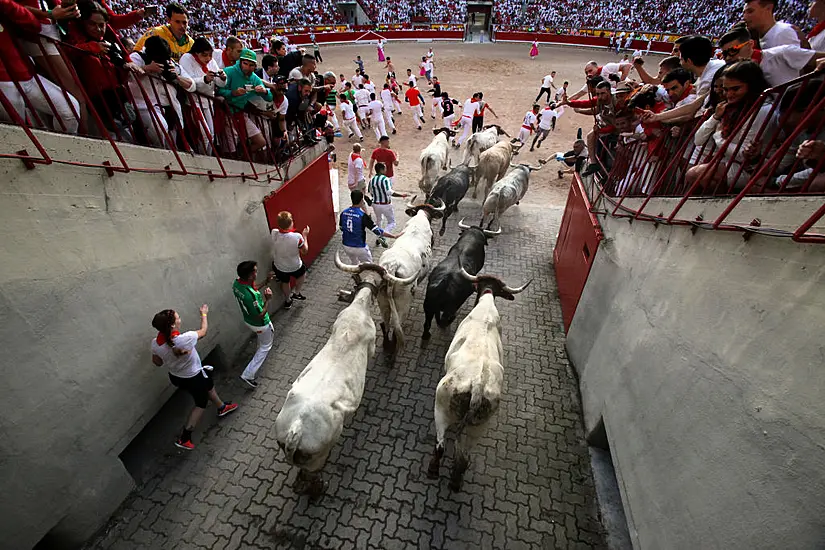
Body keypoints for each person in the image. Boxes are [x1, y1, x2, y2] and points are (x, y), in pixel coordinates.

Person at [151, 304, 238, 450]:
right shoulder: (185, 339)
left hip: (177, 377)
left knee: (208, 384)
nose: (180, 319)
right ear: (172, 324)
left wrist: (168, 357)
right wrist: (204, 314)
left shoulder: (155, 343)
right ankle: (185, 437)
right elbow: (203, 331)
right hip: (193, 378)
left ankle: (222, 407)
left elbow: (157, 362)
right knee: (201, 403)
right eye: (178, 318)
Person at [686, 61, 773, 192]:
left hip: (756, 168)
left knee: (698, 174)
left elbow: (743, 154)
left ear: (752, 86)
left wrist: (719, 137)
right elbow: (698, 140)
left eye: (736, 89)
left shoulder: (763, 110)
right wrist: (715, 117)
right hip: (734, 163)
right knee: (693, 175)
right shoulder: (729, 108)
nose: (729, 94)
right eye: (726, 89)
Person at [127, 35, 195, 147]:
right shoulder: (137, 57)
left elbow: (191, 85)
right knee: (160, 127)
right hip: (142, 105)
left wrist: (176, 77)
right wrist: (148, 68)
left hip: (168, 108)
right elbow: (127, 75)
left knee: (171, 140)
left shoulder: (170, 63)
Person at [718, 24, 824, 87]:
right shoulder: (732, 76)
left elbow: (820, 58)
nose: (728, 58)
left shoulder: (782, 53)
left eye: (733, 50)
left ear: (750, 44)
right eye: (724, 54)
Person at [216, 48, 272, 153]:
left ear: (255, 66)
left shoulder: (255, 78)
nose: (247, 67)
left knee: (261, 142)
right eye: (245, 63)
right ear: (240, 62)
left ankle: (243, 157)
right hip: (226, 114)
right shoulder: (229, 71)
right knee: (230, 149)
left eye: (251, 65)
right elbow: (217, 91)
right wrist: (233, 93)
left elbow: (269, 97)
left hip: (241, 114)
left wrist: (264, 91)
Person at [232, 260, 274, 389]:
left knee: (262, 341)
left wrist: (266, 282)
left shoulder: (237, 284)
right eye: (255, 271)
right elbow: (260, 314)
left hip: (248, 321)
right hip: (261, 323)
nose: (257, 272)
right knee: (266, 347)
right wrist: (268, 299)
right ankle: (248, 374)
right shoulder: (251, 297)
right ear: (250, 275)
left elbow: (253, 288)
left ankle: (258, 350)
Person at [179, 36, 225, 153]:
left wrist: (222, 78)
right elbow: (189, 82)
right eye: (204, 55)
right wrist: (204, 79)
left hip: (208, 101)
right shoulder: (186, 59)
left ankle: (207, 157)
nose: (208, 58)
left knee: (212, 135)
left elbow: (219, 82)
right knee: (205, 134)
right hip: (195, 101)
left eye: (210, 55)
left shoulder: (211, 61)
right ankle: (203, 157)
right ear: (196, 53)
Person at [340, 189, 400, 264]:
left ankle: (355, 274)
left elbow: (342, 228)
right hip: (360, 247)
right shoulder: (363, 216)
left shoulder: (343, 213)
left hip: (346, 246)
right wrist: (394, 236)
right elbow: (377, 231)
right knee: (369, 265)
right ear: (362, 200)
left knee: (354, 262)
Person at [271, 211, 310, 310]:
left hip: (280, 266)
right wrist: (305, 235)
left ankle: (288, 300)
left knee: (285, 282)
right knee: (302, 274)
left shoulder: (274, 233)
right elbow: (305, 251)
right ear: (291, 222)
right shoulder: (297, 237)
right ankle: (296, 292)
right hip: (295, 265)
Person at [367, 162, 409, 248]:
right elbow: (389, 192)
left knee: (379, 220)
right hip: (386, 204)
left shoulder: (372, 180)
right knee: (392, 222)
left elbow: (370, 192)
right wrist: (401, 195)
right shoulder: (385, 179)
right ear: (381, 170)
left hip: (375, 204)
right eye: (385, 168)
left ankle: (378, 236)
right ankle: (382, 235)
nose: (386, 170)